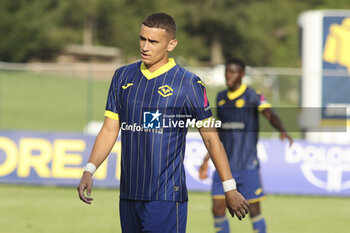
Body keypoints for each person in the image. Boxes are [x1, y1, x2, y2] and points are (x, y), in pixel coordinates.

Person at [77, 13, 249, 233]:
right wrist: (89, 170)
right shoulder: (122, 77)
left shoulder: (189, 84)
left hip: (166, 197)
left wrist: (230, 188)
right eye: (142, 39)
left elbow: (211, 138)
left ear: (171, 44)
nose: (145, 47)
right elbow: (110, 129)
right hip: (129, 194)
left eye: (153, 41)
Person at [199, 58, 293, 233]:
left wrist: (282, 130)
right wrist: (206, 159)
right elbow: (217, 131)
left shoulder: (253, 95)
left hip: (247, 166)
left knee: (254, 210)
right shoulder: (220, 97)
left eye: (233, 72)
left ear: (242, 74)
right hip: (224, 166)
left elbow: (269, 114)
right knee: (217, 209)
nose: (229, 75)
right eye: (227, 71)